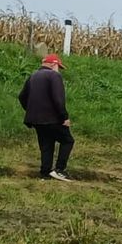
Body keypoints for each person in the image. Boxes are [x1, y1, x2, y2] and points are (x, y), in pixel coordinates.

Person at [17, 53, 74, 181]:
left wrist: (31, 110)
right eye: (58, 66)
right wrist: (64, 117)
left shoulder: (33, 76)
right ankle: (59, 170)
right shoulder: (54, 76)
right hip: (52, 118)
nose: (59, 69)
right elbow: (58, 99)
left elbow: (21, 97)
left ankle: (45, 173)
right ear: (54, 64)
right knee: (67, 140)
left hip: (36, 120)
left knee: (46, 144)